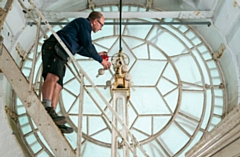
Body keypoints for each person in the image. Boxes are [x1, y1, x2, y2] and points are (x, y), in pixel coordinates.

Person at [41, 11, 111, 133]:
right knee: (53, 76)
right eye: (101, 25)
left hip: (62, 52)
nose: (100, 29)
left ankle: (53, 113)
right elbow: (88, 46)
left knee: (58, 85)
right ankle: (46, 107)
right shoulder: (83, 23)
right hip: (56, 47)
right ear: (95, 21)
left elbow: (82, 49)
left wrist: (96, 55)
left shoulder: (81, 30)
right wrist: (101, 61)